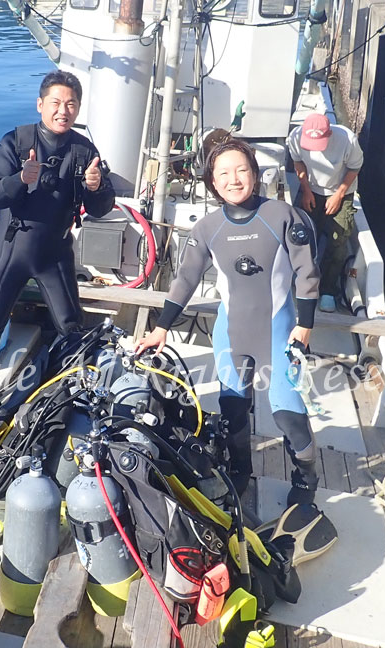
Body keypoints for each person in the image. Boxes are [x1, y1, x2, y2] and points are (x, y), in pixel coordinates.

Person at [135, 138, 321, 507]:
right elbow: (185, 279)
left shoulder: (283, 216)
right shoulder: (207, 228)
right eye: (223, 173)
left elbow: (307, 271)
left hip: (280, 331)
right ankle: (240, 471)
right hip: (232, 332)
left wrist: (306, 324)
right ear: (212, 182)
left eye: (241, 170)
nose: (234, 179)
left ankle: (305, 479)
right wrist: (162, 326)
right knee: (234, 408)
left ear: (254, 173)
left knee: (288, 412)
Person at [0, 70, 115, 381]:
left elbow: (100, 210)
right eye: (56, 103)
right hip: (13, 247)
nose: (63, 111)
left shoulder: (84, 151)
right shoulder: (16, 143)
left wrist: (96, 186)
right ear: (40, 104)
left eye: (71, 104)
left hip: (55, 252)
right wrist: (19, 179)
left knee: (71, 324)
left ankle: (75, 384)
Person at [287, 113, 363, 313]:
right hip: (310, 188)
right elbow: (298, 163)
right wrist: (305, 189)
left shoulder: (347, 140)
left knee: (338, 239)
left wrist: (338, 195)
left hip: (340, 190)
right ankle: (301, 277)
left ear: (329, 134)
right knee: (298, 234)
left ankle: (328, 289)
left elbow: (355, 167)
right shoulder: (295, 137)